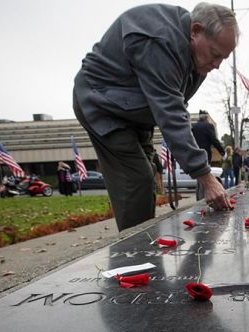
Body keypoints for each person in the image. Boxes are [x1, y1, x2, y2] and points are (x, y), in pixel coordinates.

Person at [72, 3, 237, 230]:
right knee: (137, 178)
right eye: (215, 54)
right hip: (102, 104)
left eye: (224, 58)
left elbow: (175, 103)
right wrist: (205, 176)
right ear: (195, 30)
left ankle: (143, 238)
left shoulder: (197, 57)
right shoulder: (160, 42)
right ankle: (133, 256)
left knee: (148, 173)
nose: (217, 65)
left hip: (134, 111)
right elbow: (170, 111)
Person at [192, 110, 226, 178]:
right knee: (205, 175)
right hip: (205, 155)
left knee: (198, 176)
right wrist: (222, 152)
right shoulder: (209, 126)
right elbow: (214, 140)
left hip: (195, 154)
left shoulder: (193, 126)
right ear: (206, 118)